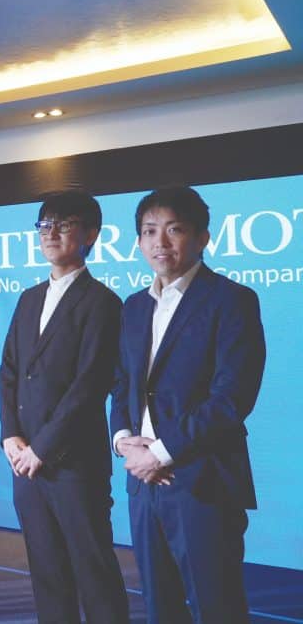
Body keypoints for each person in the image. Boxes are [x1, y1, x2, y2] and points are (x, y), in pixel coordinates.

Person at [111, 186, 265, 624]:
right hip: (143, 486)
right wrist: (123, 441)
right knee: (160, 607)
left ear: (202, 238)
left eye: (174, 229)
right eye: (149, 231)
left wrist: (160, 453)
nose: (160, 242)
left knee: (217, 608)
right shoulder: (133, 306)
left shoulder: (231, 300)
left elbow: (231, 399)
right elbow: (122, 384)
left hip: (202, 482)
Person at [0, 190, 129, 623]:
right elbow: (9, 370)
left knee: (94, 572)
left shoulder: (103, 302)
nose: (51, 233)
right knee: (47, 573)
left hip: (74, 464)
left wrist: (42, 448)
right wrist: (11, 436)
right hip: (25, 463)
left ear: (91, 234)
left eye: (64, 224)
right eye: (44, 225)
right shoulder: (29, 298)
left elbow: (89, 387)